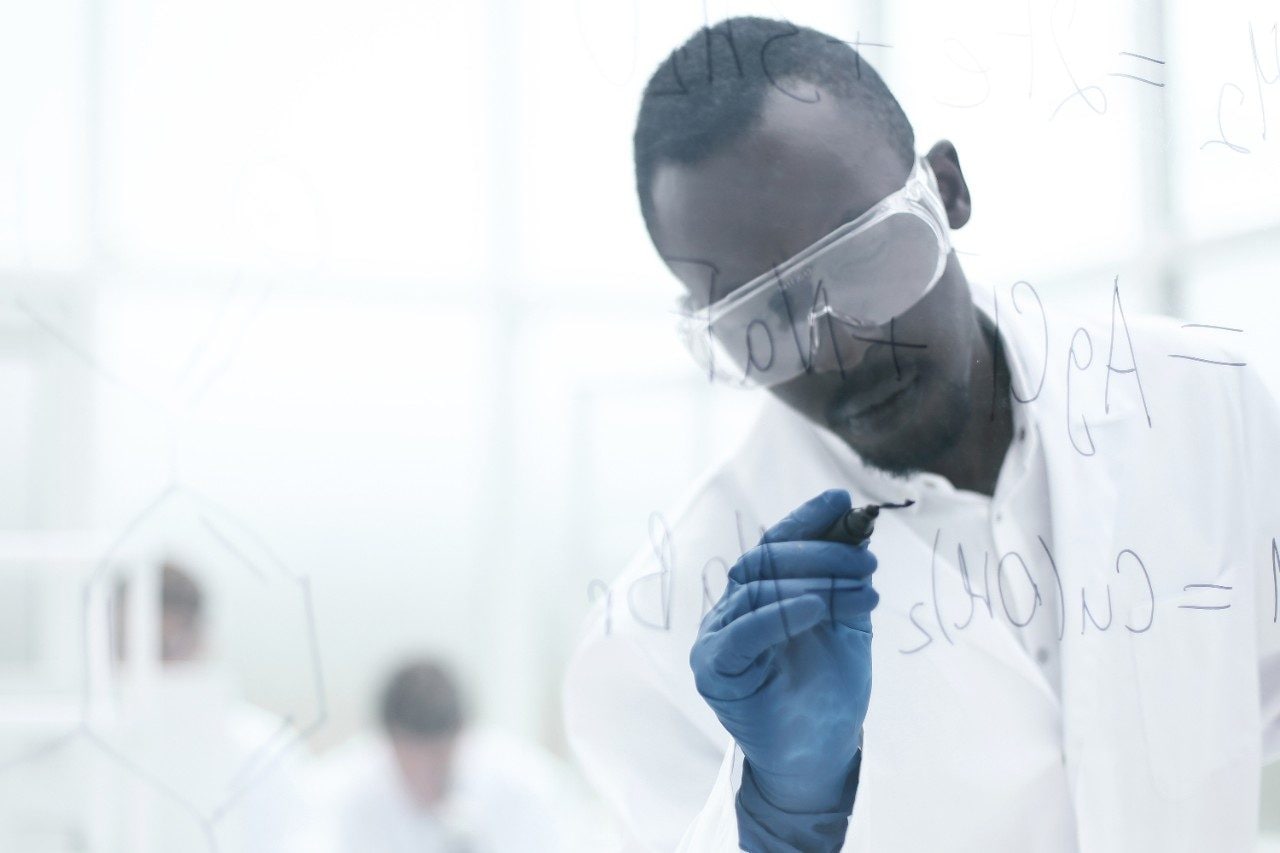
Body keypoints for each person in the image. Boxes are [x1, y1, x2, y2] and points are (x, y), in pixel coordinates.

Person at [563, 16, 1280, 852]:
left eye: (865, 256)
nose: (843, 347)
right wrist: (778, 820)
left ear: (947, 189)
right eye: (767, 320)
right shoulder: (648, 644)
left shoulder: (1201, 403)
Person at [310, 658, 579, 853]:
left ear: (462, 737)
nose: (426, 775)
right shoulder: (338, 792)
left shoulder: (525, 783)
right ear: (388, 743)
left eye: (438, 760)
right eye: (412, 761)